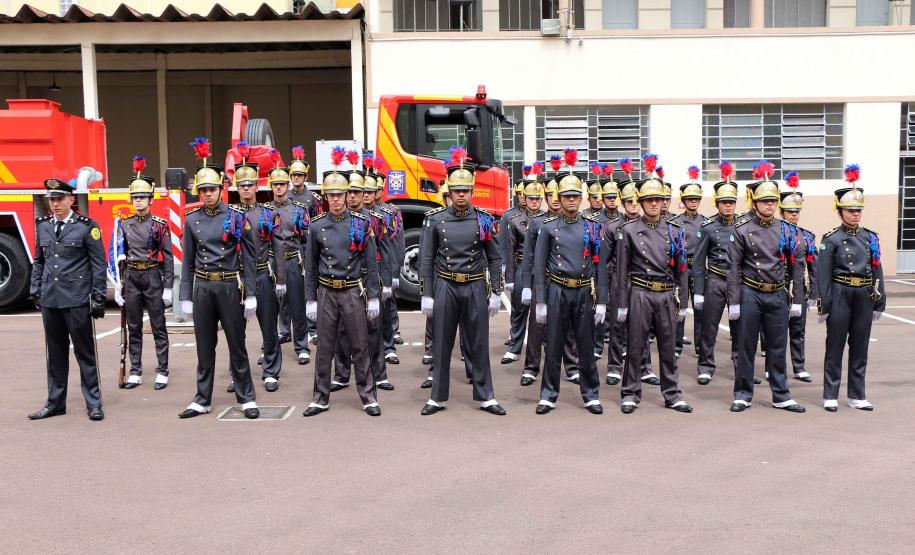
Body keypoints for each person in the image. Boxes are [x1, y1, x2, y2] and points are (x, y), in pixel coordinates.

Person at [419, 147, 505, 416]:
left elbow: (495, 257)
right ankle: (437, 397)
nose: (460, 195)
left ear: (471, 191)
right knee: (442, 343)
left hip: (475, 285)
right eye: (456, 191)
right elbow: (427, 258)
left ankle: (485, 396)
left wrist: (497, 292)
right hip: (445, 284)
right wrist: (427, 293)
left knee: (478, 342)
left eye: (465, 191)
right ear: (449, 191)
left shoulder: (483, 219)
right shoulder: (435, 221)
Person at [178, 138, 260, 420]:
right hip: (203, 286)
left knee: (237, 344)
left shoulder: (237, 217)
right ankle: (202, 399)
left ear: (222, 189)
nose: (208, 194)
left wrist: (250, 293)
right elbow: (187, 260)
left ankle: (246, 396)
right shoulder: (191, 219)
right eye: (203, 190)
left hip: (229, 285)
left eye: (212, 189)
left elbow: (250, 258)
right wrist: (185, 296)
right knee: (204, 346)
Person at [303, 150, 382, 417]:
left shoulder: (361, 223)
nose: (336, 200)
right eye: (331, 195)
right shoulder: (316, 226)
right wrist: (310, 299)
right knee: (325, 347)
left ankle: (368, 396)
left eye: (340, 195)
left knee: (360, 346)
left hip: (352, 291)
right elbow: (311, 266)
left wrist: (373, 297)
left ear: (348, 195)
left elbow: (372, 264)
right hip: (326, 291)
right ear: (325, 197)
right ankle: (320, 396)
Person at [726, 160, 805, 414]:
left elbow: (797, 266)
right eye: (765, 201)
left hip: (778, 293)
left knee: (777, 347)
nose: (770, 205)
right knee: (746, 345)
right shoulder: (742, 229)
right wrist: (734, 300)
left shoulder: (787, 230)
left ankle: (781, 395)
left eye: (773, 201)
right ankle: (742, 393)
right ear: (755, 203)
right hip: (750, 292)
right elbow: (733, 268)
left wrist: (797, 300)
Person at [532, 157, 608, 415]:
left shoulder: (594, 228)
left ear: (582, 198)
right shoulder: (548, 228)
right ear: (560, 198)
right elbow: (539, 265)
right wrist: (541, 300)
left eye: (575, 196)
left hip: (585, 291)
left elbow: (601, 266)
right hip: (558, 290)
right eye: (567, 196)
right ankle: (548, 394)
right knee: (553, 344)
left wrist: (603, 301)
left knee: (586, 345)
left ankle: (590, 394)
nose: (571, 200)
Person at [615, 162, 692, 415]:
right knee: (635, 346)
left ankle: (672, 394)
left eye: (658, 199)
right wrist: (623, 304)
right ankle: (630, 392)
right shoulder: (628, 230)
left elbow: (682, 269)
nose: (654, 204)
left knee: (669, 348)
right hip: (640, 292)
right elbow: (623, 271)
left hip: (667, 294)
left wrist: (684, 302)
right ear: (641, 201)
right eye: (649, 200)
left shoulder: (674, 231)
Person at [28, 177, 107, 421]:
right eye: (52, 199)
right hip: (51, 299)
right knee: (55, 354)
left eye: (60, 198)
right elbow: (39, 261)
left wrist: (98, 296)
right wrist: (35, 289)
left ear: (71, 200)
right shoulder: (42, 226)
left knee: (85, 353)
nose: (55, 203)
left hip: (76, 298)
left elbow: (98, 264)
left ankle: (93, 403)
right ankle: (55, 403)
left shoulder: (86, 226)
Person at [816, 165, 885, 412]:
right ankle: (830, 394)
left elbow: (877, 268)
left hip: (864, 295)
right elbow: (822, 274)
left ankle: (857, 395)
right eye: (850, 210)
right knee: (835, 346)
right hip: (840, 293)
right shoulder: (831, 239)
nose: (855, 214)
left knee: (860, 345)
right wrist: (823, 304)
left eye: (858, 210)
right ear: (840, 211)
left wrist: (880, 300)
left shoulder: (870, 237)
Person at [231, 152, 286, 393]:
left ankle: (271, 371)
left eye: (250, 184)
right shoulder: (230, 215)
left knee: (269, 327)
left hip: (263, 275)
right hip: (236, 280)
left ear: (257, 186)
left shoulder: (267, 214)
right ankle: (238, 374)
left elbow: (278, 247)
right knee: (235, 331)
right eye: (242, 185)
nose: (246, 189)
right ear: (237, 187)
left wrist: (281, 279)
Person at [117, 156, 173, 391]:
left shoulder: (159, 225)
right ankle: (135, 371)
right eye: (135, 198)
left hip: (151, 277)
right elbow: (120, 256)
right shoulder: (124, 224)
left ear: (150, 199)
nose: (138, 201)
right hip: (132, 277)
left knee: (158, 326)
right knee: (133, 327)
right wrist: (120, 285)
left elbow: (168, 257)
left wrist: (169, 287)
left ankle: (162, 371)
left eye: (142, 197)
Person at [693, 163, 744, 385]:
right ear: (717, 203)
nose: (728, 206)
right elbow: (697, 262)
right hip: (715, 280)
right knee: (709, 325)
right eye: (724, 202)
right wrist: (699, 291)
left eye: (731, 202)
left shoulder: (744, 225)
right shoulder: (708, 227)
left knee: (741, 328)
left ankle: (741, 365)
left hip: (739, 283)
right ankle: (705, 365)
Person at [280, 145, 322, 359]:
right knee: (284, 295)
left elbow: (316, 224)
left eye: (300, 175)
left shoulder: (313, 199)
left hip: (303, 248)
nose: (296, 178)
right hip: (284, 250)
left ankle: (312, 331)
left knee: (305, 293)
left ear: (305, 176)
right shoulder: (283, 195)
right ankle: (284, 330)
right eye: (293, 174)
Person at [779, 172, 818, 383]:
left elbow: (813, 266)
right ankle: (772, 367)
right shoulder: (774, 232)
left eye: (797, 211)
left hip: (799, 289)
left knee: (798, 330)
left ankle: (799, 366)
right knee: (774, 332)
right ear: (782, 212)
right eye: (790, 211)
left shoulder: (807, 235)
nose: (794, 215)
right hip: (777, 286)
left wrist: (814, 293)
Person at [501, 163, 542, 364]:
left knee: (543, 310)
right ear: (524, 198)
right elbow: (509, 249)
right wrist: (509, 277)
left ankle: (543, 346)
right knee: (519, 310)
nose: (534, 202)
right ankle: (515, 347)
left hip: (543, 271)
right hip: (521, 268)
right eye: (530, 198)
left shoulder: (547, 220)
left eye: (537, 198)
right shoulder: (515, 220)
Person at [668, 166, 707, 358]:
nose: (693, 201)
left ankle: (701, 347)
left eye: (696, 198)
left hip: (700, 270)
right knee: (680, 307)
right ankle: (676, 346)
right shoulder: (675, 223)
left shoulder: (706, 223)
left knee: (701, 310)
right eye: (690, 198)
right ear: (683, 200)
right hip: (682, 268)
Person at [498, 176, 528, 363]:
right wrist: (506, 267)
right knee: (518, 307)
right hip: (519, 265)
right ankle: (515, 343)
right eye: (522, 194)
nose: (525, 198)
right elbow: (505, 243)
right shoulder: (510, 216)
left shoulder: (543, 216)